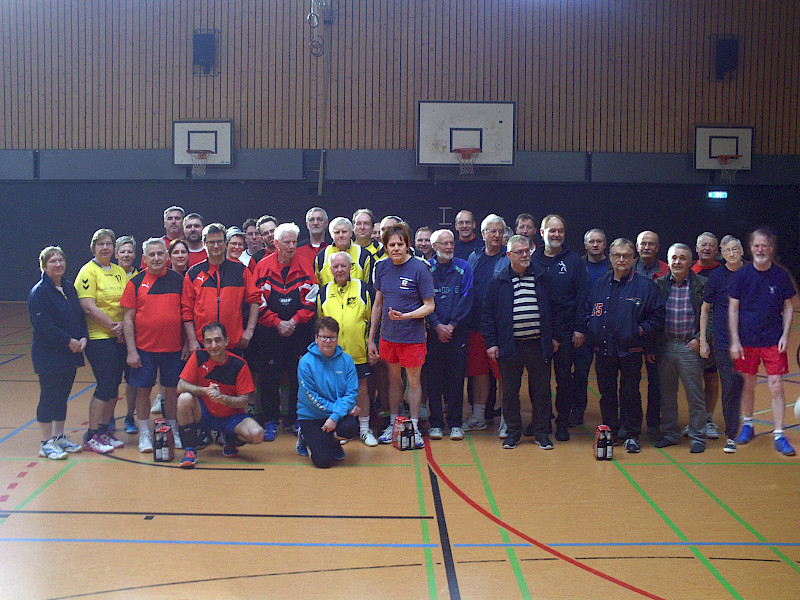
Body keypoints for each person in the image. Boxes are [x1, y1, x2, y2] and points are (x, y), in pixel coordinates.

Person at [586, 238, 664, 452]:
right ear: (610, 258)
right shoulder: (600, 284)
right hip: (604, 350)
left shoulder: (645, 287)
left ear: (634, 259)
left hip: (631, 351)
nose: (621, 259)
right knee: (607, 393)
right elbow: (589, 310)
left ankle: (631, 434)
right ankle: (611, 430)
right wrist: (591, 327)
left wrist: (638, 331)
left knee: (630, 392)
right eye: (617, 255)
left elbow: (656, 317)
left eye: (626, 256)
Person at [482, 235, 556, 449]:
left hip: (538, 344)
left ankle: (541, 432)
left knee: (541, 391)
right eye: (520, 252)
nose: (525, 255)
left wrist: (555, 337)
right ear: (509, 256)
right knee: (510, 393)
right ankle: (513, 432)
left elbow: (555, 308)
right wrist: (491, 343)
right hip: (509, 345)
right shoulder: (498, 281)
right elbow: (487, 315)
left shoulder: (542, 277)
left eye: (527, 251)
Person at [729, 228, 797, 456]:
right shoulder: (742, 275)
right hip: (747, 340)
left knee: (776, 385)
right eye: (756, 246)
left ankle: (779, 434)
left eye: (764, 246)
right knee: (748, 384)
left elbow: (788, 306)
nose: (760, 250)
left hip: (772, 341)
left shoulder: (780, 276)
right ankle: (748, 424)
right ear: (751, 248)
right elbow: (733, 308)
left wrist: (785, 335)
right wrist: (735, 340)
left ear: (771, 248)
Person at [369, 223, 435, 448]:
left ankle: (414, 426)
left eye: (400, 244)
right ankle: (394, 423)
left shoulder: (419, 269)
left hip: (413, 337)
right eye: (391, 245)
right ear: (385, 247)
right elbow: (378, 304)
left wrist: (406, 316)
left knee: (414, 382)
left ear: (407, 245)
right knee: (393, 380)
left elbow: (429, 306)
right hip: (388, 337)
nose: (396, 248)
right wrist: (371, 338)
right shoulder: (382, 268)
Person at [253, 222, 319, 439]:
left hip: (297, 332)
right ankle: (271, 420)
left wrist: (293, 321)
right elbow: (257, 300)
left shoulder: (306, 265)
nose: (292, 246)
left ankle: (296, 420)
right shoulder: (262, 266)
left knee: (298, 376)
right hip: (269, 334)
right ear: (276, 243)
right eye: (287, 242)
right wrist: (276, 322)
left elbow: (311, 300)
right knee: (269, 377)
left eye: (294, 242)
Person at [122, 238, 187, 453]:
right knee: (143, 391)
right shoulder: (135, 283)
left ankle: (172, 431)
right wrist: (132, 350)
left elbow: (186, 314)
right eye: (152, 254)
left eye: (160, 254)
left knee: (171, 392)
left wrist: (187, 343)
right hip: (144, 349)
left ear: (167, 257)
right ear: (144, 258)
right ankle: (144, 434)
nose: (157, 258)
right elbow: (128, 319)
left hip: (173, 349)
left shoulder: (179, 280)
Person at [531, 214, 589, 442]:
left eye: (560, 231)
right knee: (538, 381)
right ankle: (541, 422)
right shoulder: (532, 259)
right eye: (551, 230)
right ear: (542, 233)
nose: (556, 234)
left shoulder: (574, 261)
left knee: (564, 379)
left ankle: (562, 423)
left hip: (566, 332)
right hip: (538, 332)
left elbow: (582, 296)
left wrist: (579, 328)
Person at [176, 322, 263, 468]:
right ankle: (190, 450)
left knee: (257, 434)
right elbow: (181, 386)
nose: (213, 345)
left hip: (231, 417)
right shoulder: (198, 357)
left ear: (226, 341)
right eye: (208, 341)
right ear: (203, 343)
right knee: (184, 398)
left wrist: (222, 399)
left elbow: (243, 402)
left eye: (218, 340)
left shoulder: (239, 365)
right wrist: (205, 391)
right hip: (204, 414)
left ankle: (229, 438)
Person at [29, 246, 88, 459]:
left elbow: (78, 317)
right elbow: (44, 325)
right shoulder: (39, 292)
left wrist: (83, 337)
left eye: (60, 260)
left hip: (70, 353)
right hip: (49, 354)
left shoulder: (69, 288)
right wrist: (68, 341)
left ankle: (59, 437)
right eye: (53, 261)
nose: (58, 265)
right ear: (44, 266)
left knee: (62, 396)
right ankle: (45, 443)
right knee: (49, 396)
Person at [75, 228, 128, 453]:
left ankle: (105, 430)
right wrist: (114, 327)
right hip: (100, 338)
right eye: (101, 244)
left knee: (114, 386)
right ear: (94, 248)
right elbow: (88, 306)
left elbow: (127, 301)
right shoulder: (88, 271)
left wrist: (124, 325)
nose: (105, 248)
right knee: (105, 385)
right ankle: (91, 435)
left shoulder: (118, 271)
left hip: (119, 336)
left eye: (108, 244)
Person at [317, 252, 376, 446]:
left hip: (358, 352)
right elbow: (320, 324)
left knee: (362, 390)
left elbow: (373, 318)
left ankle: (365, 430)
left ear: (350, 268)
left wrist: (371, 344)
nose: (340, 270)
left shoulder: (363, 289)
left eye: (344, 266)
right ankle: (343, 429)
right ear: (331, 269)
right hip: (333, 354)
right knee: (337, 392)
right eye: (336, 267)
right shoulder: (324, 292)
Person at [654, 243, 707, 452]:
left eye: (682, 258)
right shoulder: (659, 284)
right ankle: (670, 433)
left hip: (689, 346)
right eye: (674, 258)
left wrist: (699, 338)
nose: (677, 261)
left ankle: (698, 436)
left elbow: (710, 315)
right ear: (668, 261)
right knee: (667, 396)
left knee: (695, 396)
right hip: (666, 346)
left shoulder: (701, 284)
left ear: (690, 261)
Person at [181, 223, 260, 355]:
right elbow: (186, 310)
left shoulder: (240, 270)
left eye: (219, 242)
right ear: (204, 243)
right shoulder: (194, 273)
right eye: (212, 242)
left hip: (234, 342)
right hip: (203, 343)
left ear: (225, 243)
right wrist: (192, 340)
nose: (216, 246)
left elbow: (255, 300)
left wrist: (249, 331)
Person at [425, 229, 473, 441]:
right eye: (444, 244)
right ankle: (436, 424)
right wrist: (436, 325)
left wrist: (451, 325)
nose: (449, 247)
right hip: (432, 334)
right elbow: (422, 300)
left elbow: (467, 297)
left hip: (457, 333)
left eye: (451, 243)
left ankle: (455, 423)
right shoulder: (426, 269)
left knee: (455, 379)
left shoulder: (464, 267)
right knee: (433, 379)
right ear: (434, 247)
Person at [462, 214, 508, 432]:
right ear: (483, 234)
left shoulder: (508, 258)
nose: (497, 235)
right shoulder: (475, 257)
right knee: (479, 373)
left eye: (500, 231)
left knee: (503, 376)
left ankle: (508, 419)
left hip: (499, 330)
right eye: (492, 231)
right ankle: (479, 416)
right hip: (475, 328)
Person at [700, 235, 745, 453]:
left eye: (735, 249)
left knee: (744, 386)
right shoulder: (717, 276)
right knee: (729, 387)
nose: (732, 253)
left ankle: (742, 426)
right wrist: (702, 341)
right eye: (727, 251)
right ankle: (732, 435)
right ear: (722, 254)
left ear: (742, 251)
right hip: (724, 343)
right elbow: (705, 309)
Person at [296, 317, 360, 467]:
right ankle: (305, 436)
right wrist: (340, 411)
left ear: (337, 338)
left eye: (332, 337)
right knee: (323, 461)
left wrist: (335, 417)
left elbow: (352, 393)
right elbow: (310, 399)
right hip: (312, 415)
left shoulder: (347, 361)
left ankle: (332, 441)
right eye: (324, 337)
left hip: (336, 416)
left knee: (350, 428)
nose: (328, 341)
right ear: (316, 338)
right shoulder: (305, 362)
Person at [571, 227, 610, 426]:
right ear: (585, 245)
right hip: (585, 327)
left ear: (605, 245)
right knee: (580, 373)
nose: (595, 245)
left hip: (608, 330)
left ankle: (610, 414)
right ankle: (577, 411)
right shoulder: (578, 264)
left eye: (599, 241)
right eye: (591, 241)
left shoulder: (614, 266)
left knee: (608, 376)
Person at [634, 230, 670, 437]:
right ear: (637, 247)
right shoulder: (628, 268)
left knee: (655, 383)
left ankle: (654, 424)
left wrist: (653, 343)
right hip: (631, 335)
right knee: (630, 382)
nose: (647, 247)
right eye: (643, 244)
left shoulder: (666, 270)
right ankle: (632, 422)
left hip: (655, 336)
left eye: (651, 244)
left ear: (657, 248)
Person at [690, 232, 722, 440]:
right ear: (697, 248)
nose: (707, 248)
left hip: (716, 335)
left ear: (717, 249)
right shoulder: (690, 270)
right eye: (704, 245)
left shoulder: (723, 272)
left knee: (711, 377)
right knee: (691, 380)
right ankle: (695, 419)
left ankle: (708, 418)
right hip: (692, 336)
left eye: (711, 245)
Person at [115, 235, 139, 434]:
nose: (126, 254)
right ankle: (109, 419)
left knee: (133, 381)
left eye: (129, 251)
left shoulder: (140, 276)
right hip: (112, 337)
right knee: (111, 382)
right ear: (116, 254)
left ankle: (130, 417)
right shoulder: (107, 275)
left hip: (135, 338)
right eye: (122, 251)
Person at [315, 217, 373, 287]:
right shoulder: (322, 256)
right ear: (331, 235)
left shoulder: (364, 255)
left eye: (344, 232)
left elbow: (370, 287)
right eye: (337, 232)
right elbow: (316, 286)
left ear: (351, 233)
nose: (341, 235)